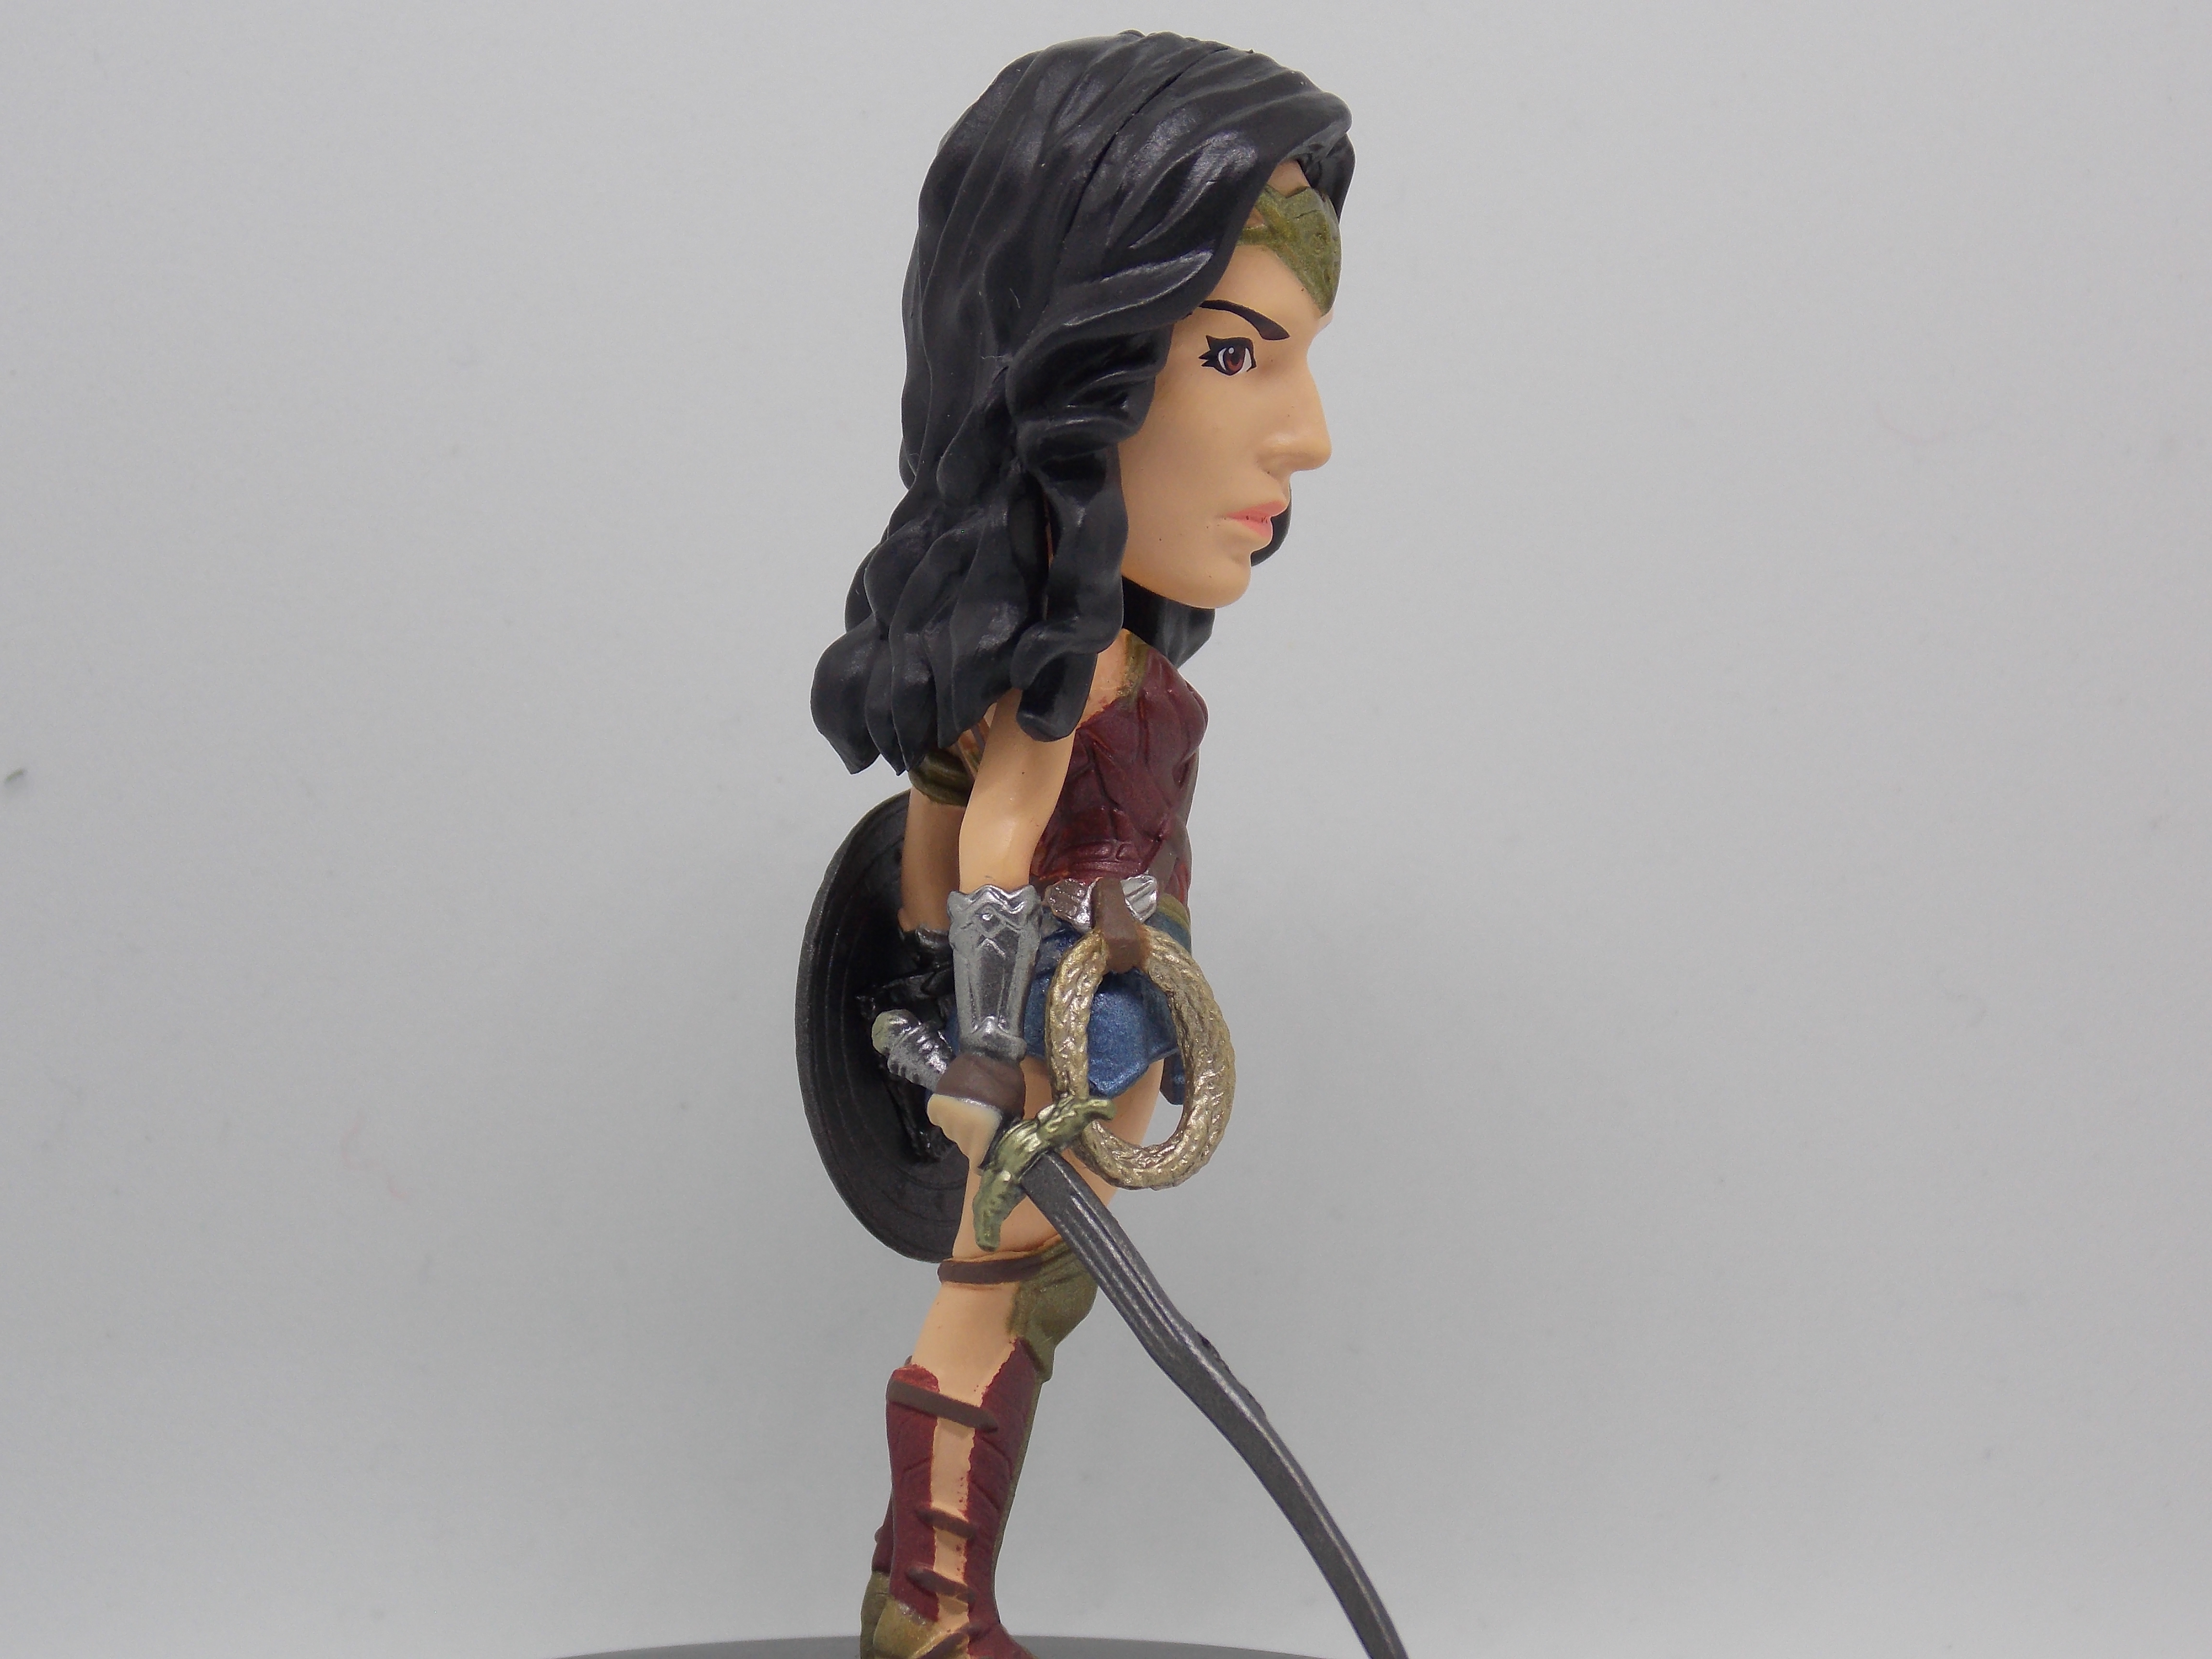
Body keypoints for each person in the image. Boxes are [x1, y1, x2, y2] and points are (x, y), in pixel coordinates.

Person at [810, 33, 1351, 1659]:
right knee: (995, 1296)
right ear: (1079, 372)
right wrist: (983, 1049)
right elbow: (986, 843)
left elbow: (985, 840)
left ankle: (926, 1593)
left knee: (1027, 1296)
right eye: (1237, 354)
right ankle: (927, 1605)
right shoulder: (1057, 673)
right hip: (1040, 1039)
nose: (1309, 435)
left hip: (1104, 1019)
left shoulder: (1108, 655)